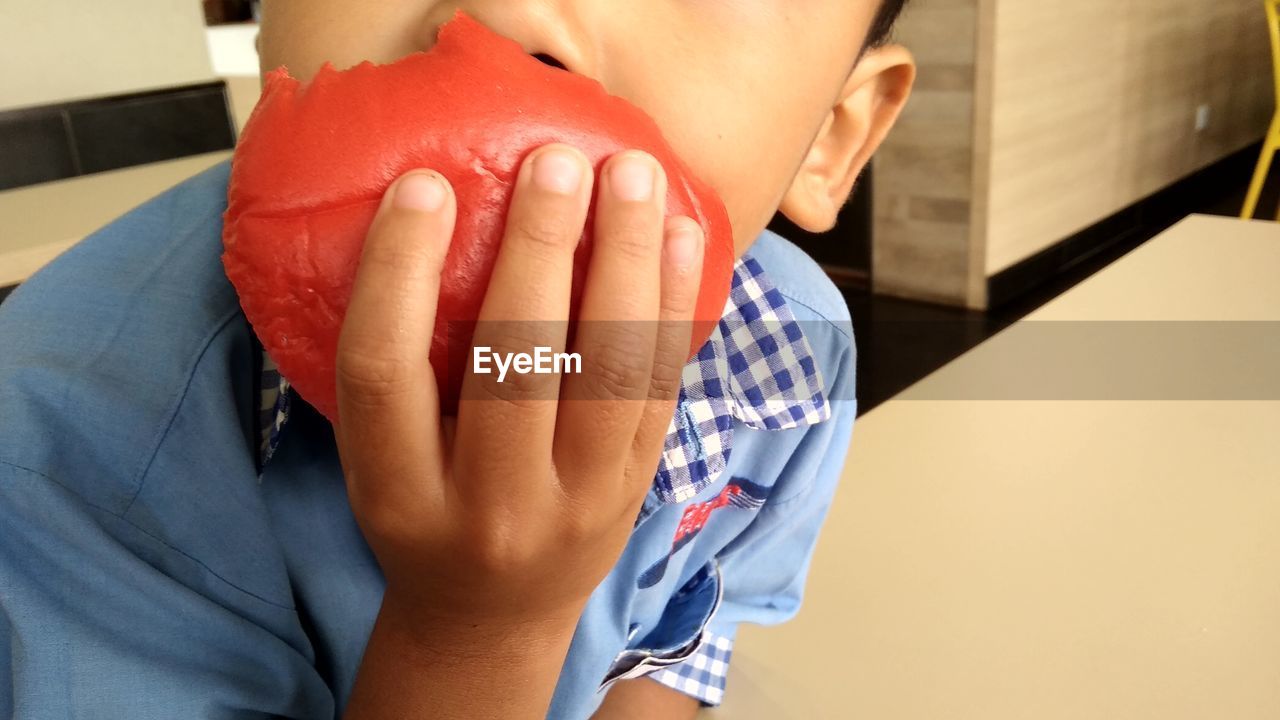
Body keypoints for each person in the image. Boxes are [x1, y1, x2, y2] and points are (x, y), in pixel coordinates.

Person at [0, 1, 915, 718]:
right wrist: (477, 632)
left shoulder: (795, 351)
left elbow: (692, 623)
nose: (511, 15)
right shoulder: (55, 443)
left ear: (834, 138)